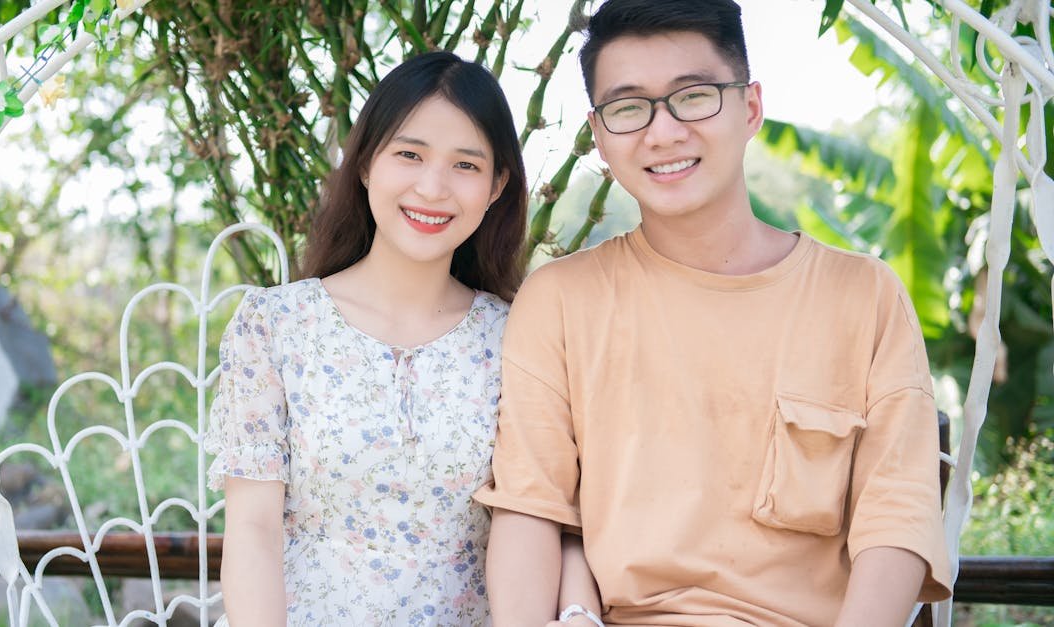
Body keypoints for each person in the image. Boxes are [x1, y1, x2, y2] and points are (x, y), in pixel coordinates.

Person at [474, 1, 953, 625]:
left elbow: (898, 515)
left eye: (693, 96)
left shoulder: (864, 296)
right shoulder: (561, 301)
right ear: (598, 134)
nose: (663, 132)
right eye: (627, 108)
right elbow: (530, 508)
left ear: (750, 106)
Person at [203, 50, 527, 625]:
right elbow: (252, 529)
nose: (432, 187)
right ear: (365, 164)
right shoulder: (275, 325)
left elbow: (537, 526)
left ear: (498, 184)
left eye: (466, 165)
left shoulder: (519, 337)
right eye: (409, 154)